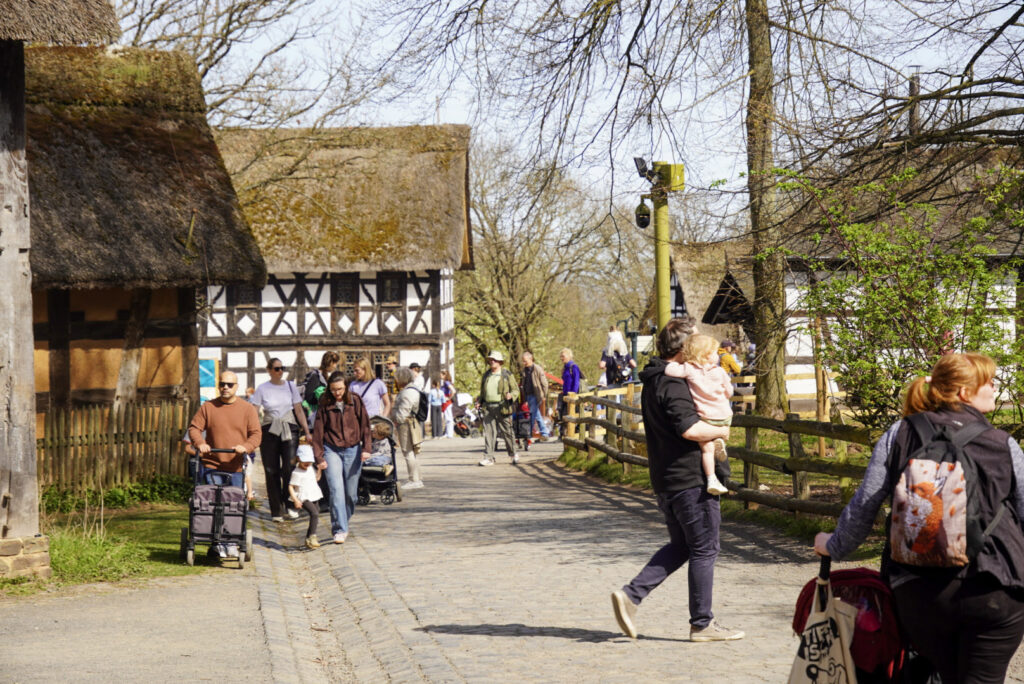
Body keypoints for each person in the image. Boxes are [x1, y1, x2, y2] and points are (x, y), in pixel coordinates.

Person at [814, 352, 1024, 683]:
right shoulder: (1002, 444)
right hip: (995, 590)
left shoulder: (900, 434)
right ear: (964, 392)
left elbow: (864, 504)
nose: (995, 387)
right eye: (989, 381)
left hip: (919, 593)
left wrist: (833, 545)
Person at [611, 317, 743, 643]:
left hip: (667, 479)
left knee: (683, 546)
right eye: (695, 339)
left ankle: (631, 596)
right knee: (705, 549)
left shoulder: (655, 379)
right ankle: (702, 624)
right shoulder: (673, 384)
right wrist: (722, 431)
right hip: (690, 480)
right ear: (684, 348)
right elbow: (690, 428)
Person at [188, 371, 261, 558]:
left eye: (229, 384)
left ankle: (231, 542)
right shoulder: (208, 407)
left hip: (235, 466)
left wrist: (245, 447)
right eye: (222, 384)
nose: (225, 387)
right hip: (211, 464)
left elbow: (256, 434)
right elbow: (194, 428)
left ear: (237, 386)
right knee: (211, 505)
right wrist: (200, 443)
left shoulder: (247, 409)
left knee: (233, 506)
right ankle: (217, 542)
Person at [664, 334, 732, 496]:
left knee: (706, 449)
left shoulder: (689, 369)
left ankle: (711, 478)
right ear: (706, 355)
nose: (717, 355)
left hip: (706, 418)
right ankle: (719, 440)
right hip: (724, 416)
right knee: (714, 438)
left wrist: (681, 363)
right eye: (715, 352)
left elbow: (668, 369)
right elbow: (729, 392)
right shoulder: (720, 372)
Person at [311, 371, 372, 544]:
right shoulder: (325, 402)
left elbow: (365, 425)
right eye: (333, 389)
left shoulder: (355, 401)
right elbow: (318, 431)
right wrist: (319, 457)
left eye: (339, 389)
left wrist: (366, 448)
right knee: (336, 490)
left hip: (353, 449)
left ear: (346, 387)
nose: (336, 393)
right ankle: (339, 529)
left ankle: (343, 520)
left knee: (351, 494)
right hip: (332, 449)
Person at [249, 358, 312, 523]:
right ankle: (276, 509)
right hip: (270, 429)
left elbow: (298, 410)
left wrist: (306, 431)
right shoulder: (262, 388)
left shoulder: (290, 386)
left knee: (289, 468)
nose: (280, 371)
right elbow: (254, 411)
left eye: (282, 368)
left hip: (289, 427)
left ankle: (290, 503)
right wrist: (253, 432)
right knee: (271, 470)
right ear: (269, 370)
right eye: (276, 368)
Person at [477, 350, 520, 466]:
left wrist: (511, 396)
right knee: (489, 433)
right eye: (490, 360)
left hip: (503, 407)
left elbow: (516, 390)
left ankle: (513, 454)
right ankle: (489, 457)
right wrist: (479, 402)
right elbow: (482, 392)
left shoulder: (506, 374)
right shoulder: (486, 375)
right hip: (488, 407)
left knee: (507, 432)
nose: (492, 361)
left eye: (494, 360)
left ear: (500, 362)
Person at [391, 366, 425, 488]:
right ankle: (417, 478)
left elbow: (402, 413)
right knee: (412, 452)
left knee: (408, 452)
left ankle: (414, 480)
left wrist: (396, 420)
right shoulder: (412, 389)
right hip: (410, 422)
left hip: (406, 424)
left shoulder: (407, 392)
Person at [289, 444, 323, 549]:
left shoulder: (310, 468)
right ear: (299, 459)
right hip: (303, 496)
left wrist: (319, 470)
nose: (307, 464)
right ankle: (312, 537)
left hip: (313, 494)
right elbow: (291, 486)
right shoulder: (297, 473)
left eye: (309, 462)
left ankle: (308, 538)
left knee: (316, 513)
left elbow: (316, 479)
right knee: (314, 513)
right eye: (305, 462)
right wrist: (295, 500)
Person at [520, 351, 551, 441]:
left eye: (525, 361)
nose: (524, 363)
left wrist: (543, 395)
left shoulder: (537, 369)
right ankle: (545, 433)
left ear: (531, 359)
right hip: (528, 395)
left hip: (535, 395)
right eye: (523, 361)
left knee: (532, 415)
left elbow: (545, 384)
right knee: (537, 415)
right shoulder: (524, 370)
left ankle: (528, 434)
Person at [302, 351, 339, 420]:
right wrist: (321, 399)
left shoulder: (325, 376)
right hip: (314, 414)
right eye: (335, 363)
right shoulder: (315, 376)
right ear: (330, 362)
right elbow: (309, 397)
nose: (335, 366)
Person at [558, 348, 581, 437]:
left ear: (569, 356)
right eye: (561, 356)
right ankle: (564, 434)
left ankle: (571, 434)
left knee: (570, 414)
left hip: (571, 395)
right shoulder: (565, 368)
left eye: (563, 356)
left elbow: (576, 382)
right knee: (563, 414)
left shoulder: (573, 367)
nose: (561, 358)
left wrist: (573, 394)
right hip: (565, 395)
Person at [440, 370, 456, 438]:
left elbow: (453, 391)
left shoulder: (447, 382)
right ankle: (447, 433)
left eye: (441, 374)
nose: (440, 376)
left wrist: (449, 398)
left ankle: (450, 434)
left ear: (444, 375)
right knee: (446, 417)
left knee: (449, 418)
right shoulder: (445, 383)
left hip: (447, 402)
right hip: (444, 401)